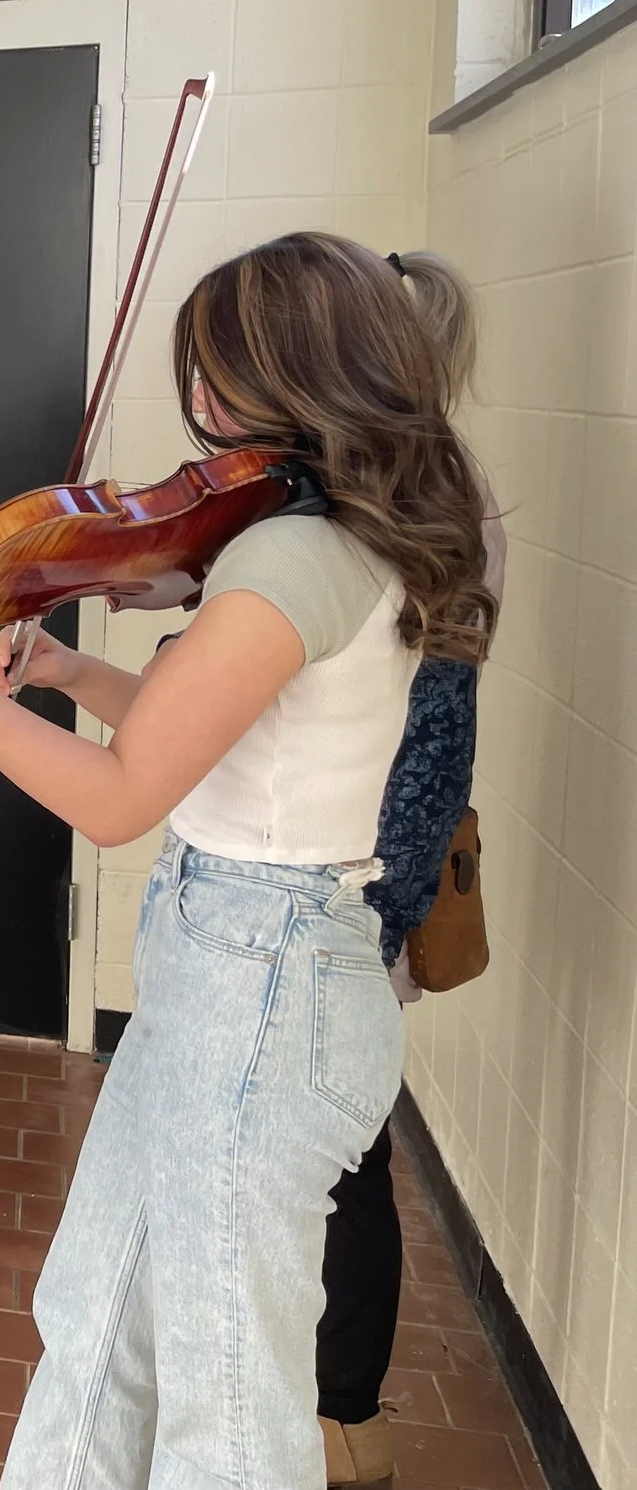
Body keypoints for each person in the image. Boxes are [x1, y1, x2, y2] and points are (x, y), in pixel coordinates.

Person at [0, 234, 496, 1488]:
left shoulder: (289, 557)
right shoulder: (339, 536)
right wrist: (69, 669)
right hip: (239, 968)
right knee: (102, 1309)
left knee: (223, 1406)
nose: (202, 419)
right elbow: (228, 748)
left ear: (288, 378)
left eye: (216, 381)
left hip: (263, 988)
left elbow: (123, 802)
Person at [315, 254, 507, 1489]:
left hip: (351, 875)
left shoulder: (416, 502)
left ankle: (344, 1425)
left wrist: (377, 917)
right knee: (347, 1152)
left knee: (345, 1158)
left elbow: (431, 723)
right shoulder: (397, 489)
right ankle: (341, 1419)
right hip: (353, 866)